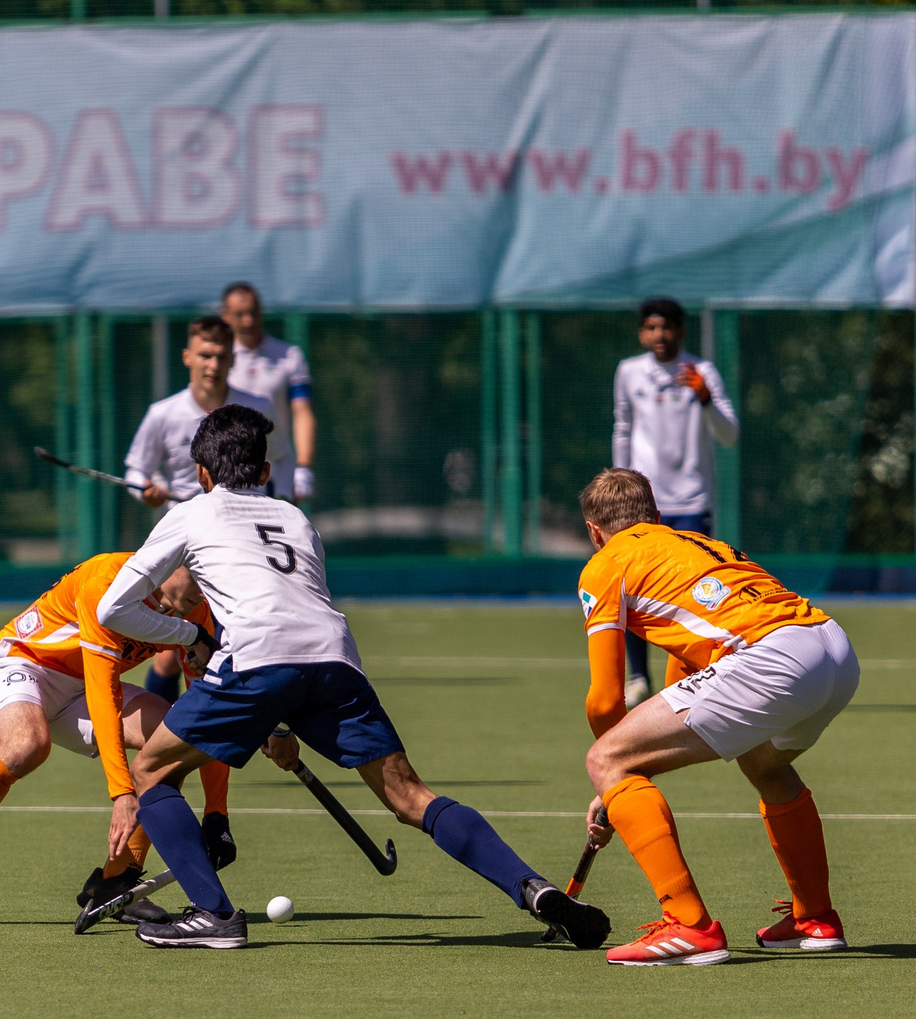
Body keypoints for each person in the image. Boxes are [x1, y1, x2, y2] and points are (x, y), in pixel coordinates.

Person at [94, 404, 611, 952]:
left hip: (256, 659)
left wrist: (188, 636)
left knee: (151, 768)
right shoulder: (296, 519)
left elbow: (111, 609)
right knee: (411, 796)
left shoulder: (191, 513)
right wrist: (280, 726)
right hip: (334, 659)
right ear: (264, 471)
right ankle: (534, 887)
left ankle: (213, 915)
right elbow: (295, 620)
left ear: (201, 473)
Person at [574, 467, 858, 966]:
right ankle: (815, 918)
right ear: (655, 515)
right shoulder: (697, 544)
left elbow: (604, 699)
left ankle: (690, 926)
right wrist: (633, 771)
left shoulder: (606, 565)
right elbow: (688, 672)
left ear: (594, 532)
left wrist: (616, 776)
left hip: (773, 659)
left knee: (606, 759)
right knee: (765, 764)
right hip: (832, 648)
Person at [0, 551, 234, 927]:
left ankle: (116, 880)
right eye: (198, 577)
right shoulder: (109, 583)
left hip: (81, 685)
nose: (205, 591)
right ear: (170, 561)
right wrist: (122, 791)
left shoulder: (196, 611)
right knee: (27, 745)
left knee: (171, 741)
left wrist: (217, 814)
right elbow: (104, 694)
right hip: (22, 663)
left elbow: (203, 716)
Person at [124, 314, 273, 704]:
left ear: (232, 359)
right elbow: (136, 469)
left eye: (221, 356)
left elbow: (279, 461)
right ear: (187, 357)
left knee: (238, 631)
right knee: (177, 649)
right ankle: (171, 723)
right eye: (205, 355)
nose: (213, 364)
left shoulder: (255, 409)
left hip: (242, 537)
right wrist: (146, 492)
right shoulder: (163, 413)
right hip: (186, 547)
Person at [610, 297, 738, 705]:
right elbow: (623, 428)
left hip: (692, 500)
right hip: (642, 506)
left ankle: (695, 676)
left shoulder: (702, 372)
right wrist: (622, 486)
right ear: (641, 333)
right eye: (651, 327)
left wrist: (705, 398)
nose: (659, 335)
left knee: (696, 591)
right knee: (632, 588)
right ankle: (638, 676)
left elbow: (730, 434)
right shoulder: (629, 371)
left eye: (667, 327)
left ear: (681, 331)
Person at [219, 281, 315, 505]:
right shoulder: (219, 359)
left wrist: (303, 467)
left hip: (275, 469)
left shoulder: (289, 356)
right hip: (228, 471)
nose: (248, 321)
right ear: (225, 316)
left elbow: (302, 411)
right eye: (240, 314)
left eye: (253, 312)